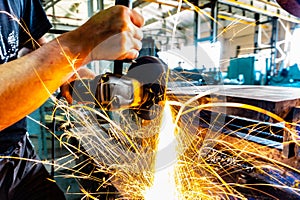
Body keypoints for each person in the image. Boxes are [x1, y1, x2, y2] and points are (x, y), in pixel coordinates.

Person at [0, 0, 144, 199]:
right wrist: (81, 42)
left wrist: (76, 75)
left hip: (18, 154)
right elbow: (62, 52)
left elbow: (37, 48)